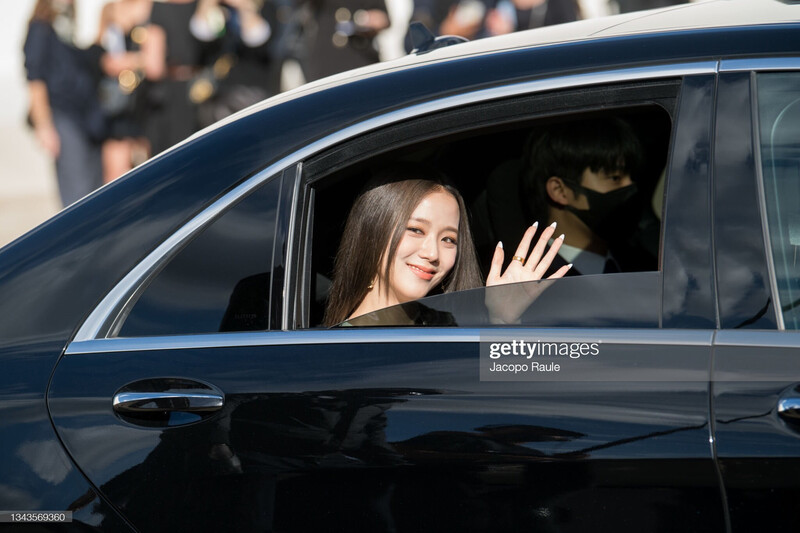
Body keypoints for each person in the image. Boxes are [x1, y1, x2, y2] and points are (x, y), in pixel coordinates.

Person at [323, 168, 571, 326]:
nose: (432, 254)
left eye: (449, 239)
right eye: (416, 230)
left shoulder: (449, 331)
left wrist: (502, 320)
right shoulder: (333, 352)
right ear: (373, 230)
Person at [24, 0, 105, 207]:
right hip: (63, 117)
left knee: (94, 188)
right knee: (78, 193)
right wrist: (44, 125)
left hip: (86, 119)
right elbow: (35, 80)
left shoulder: (66, 30)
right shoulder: (40, 29)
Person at [96, 0, 152, 182]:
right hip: (120, 105)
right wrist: (139, 59)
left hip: (145, 101)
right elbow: (106, 59)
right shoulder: (110, 10)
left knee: (147, 167)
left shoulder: (150, 7)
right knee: (116, 174)